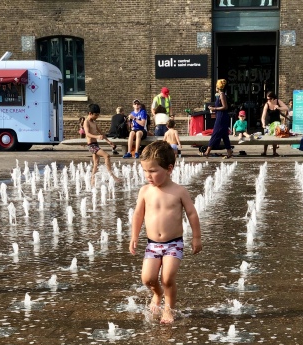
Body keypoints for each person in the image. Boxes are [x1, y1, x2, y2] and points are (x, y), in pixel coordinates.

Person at [129, 141, 202, 324]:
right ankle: (157, 293)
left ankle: (169, 309)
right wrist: (134, 236)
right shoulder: (145, 191)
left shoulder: (179, 191)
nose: (148, 175)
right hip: (153, 244)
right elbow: (138, 214)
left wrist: (196, 237)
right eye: (145, 171)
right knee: (148, 279)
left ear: (169, 169)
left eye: (153, 171)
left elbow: (192, 213)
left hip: (173, 244)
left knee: (167, 278)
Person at [84, 104, 120, 183]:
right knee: (107, 156)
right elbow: (87, 134)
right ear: (90, 113)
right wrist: (97, 136)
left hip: (95, 144)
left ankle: (92, 181)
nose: (97, 117)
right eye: (96, 115)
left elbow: (101, 133)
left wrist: (108, 141)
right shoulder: (86, 122)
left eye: (98, 115)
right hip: (91, 145)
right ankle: (112, 175)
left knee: (96, 163)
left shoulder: (94, 122)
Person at [201, 79, 233, 159]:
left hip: (221, 117)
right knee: (224, 135)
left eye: (216, 86)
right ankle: (229, 152)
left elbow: (225, 107)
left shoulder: (222, 95)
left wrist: (214, 108)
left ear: (218, 87)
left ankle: (207, 152)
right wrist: (213, 108)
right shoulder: (220, 95)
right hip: (221, 116)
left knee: (215, 133)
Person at [260, 91, 289, 156]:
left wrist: (278, 107)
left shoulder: (278, 101)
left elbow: (286, 108)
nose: (268, 100)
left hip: (276, 123)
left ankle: (274, 152)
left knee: (275, 137)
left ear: (273, 98)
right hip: (268, 123)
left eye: (269, 99)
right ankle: (265, 151)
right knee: (267, 137)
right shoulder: (267, 104)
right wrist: (263, 124)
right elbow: (263, 116)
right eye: (267, 99)